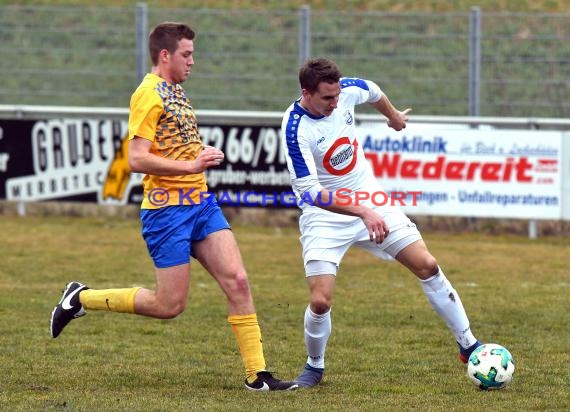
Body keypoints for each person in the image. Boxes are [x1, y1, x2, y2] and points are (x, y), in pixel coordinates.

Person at [50, 22, 297, 392]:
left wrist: (199, 155)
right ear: (164, 56)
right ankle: (80, 298)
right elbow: (135, 158)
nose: (192, 61)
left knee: (239, 281)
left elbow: (173, 146)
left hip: (200, 204)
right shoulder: (147, 94)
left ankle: (257, 376)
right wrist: (190, 166)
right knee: (169, 305)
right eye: (186, 54)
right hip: (166, 212)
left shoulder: (176, 92)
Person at [280, 57, 482, 388]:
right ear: (306, 93)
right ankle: (314, 367)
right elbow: (312, 193)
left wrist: (394, 117)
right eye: (327, 98)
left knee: (427, 265)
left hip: (371, 200)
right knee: (320, 300)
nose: (335, 102)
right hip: (325, 217)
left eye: (337, 95)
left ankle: (468, 344)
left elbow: (373, 91)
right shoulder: (295, 128)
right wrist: (362, 211)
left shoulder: (346, 90)